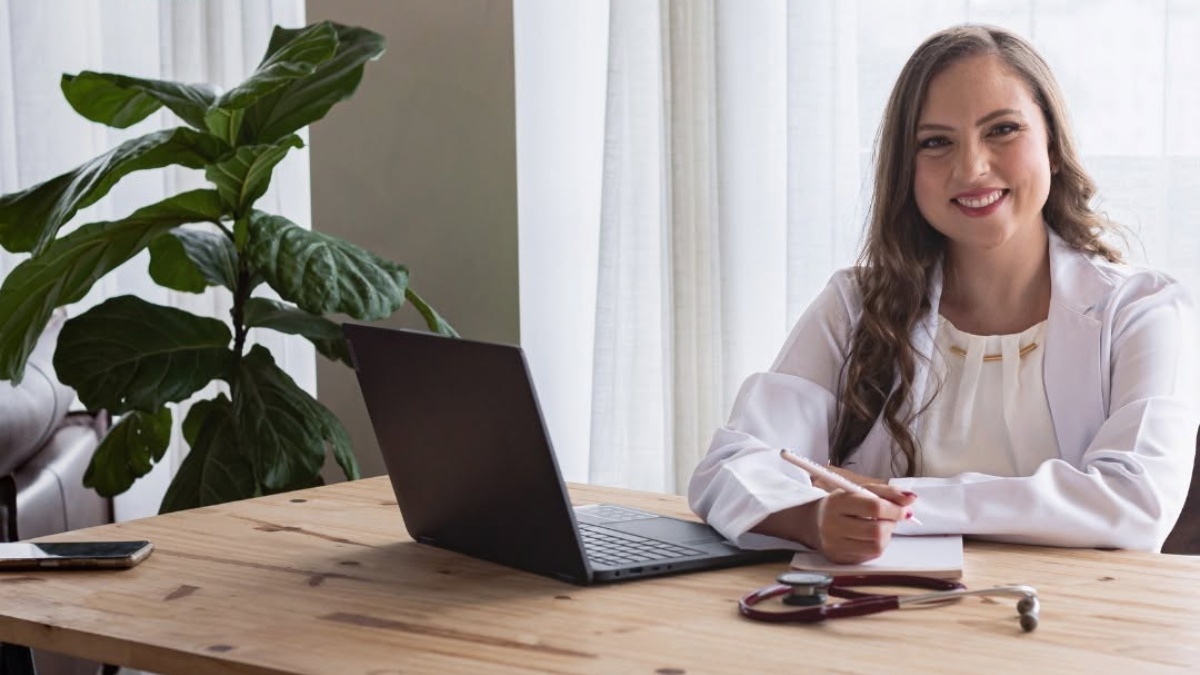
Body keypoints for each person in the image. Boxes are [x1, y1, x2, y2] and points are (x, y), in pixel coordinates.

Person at [688, 24, 1200, 564]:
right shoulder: (855, 304)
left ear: (1052, 146)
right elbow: (730, 467)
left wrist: (900, 503)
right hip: (885, 623)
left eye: (1002, 130)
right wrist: (813, 518)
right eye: (935, 142)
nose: (972, 167)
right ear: (906, 171)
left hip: (1073, 629)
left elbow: (1134, 503)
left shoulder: (1143, 310)